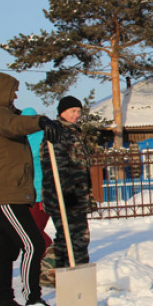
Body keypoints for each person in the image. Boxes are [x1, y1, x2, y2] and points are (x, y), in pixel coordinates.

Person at [0, 72, 60, 306]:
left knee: (6, 249)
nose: (15, 95)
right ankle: (32, 297)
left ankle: (5, 301)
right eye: (12, 90)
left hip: (7, 192)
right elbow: (14, 125)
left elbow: (14, 122)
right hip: (5, 193)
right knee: (33, 243)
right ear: (0, 91)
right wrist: (40, 121)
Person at [40, 96, 96, 284]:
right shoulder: (57, 132)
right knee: (76, 238)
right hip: (64, 196)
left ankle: (56, 275)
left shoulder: (75, 132)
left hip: (76, 195)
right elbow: (55, 166)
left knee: (69, 238)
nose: (76, 115)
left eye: (79, 112)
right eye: (73, 111)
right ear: (62, 112)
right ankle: (72, 279)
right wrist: (67, 191)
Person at [21, 107, 55, 287]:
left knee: (32, 232)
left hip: (37, 194)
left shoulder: (30, 139)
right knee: (33, 232)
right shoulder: (41, 136)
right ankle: (45, 263)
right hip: (36, 193)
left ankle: (48, 261)